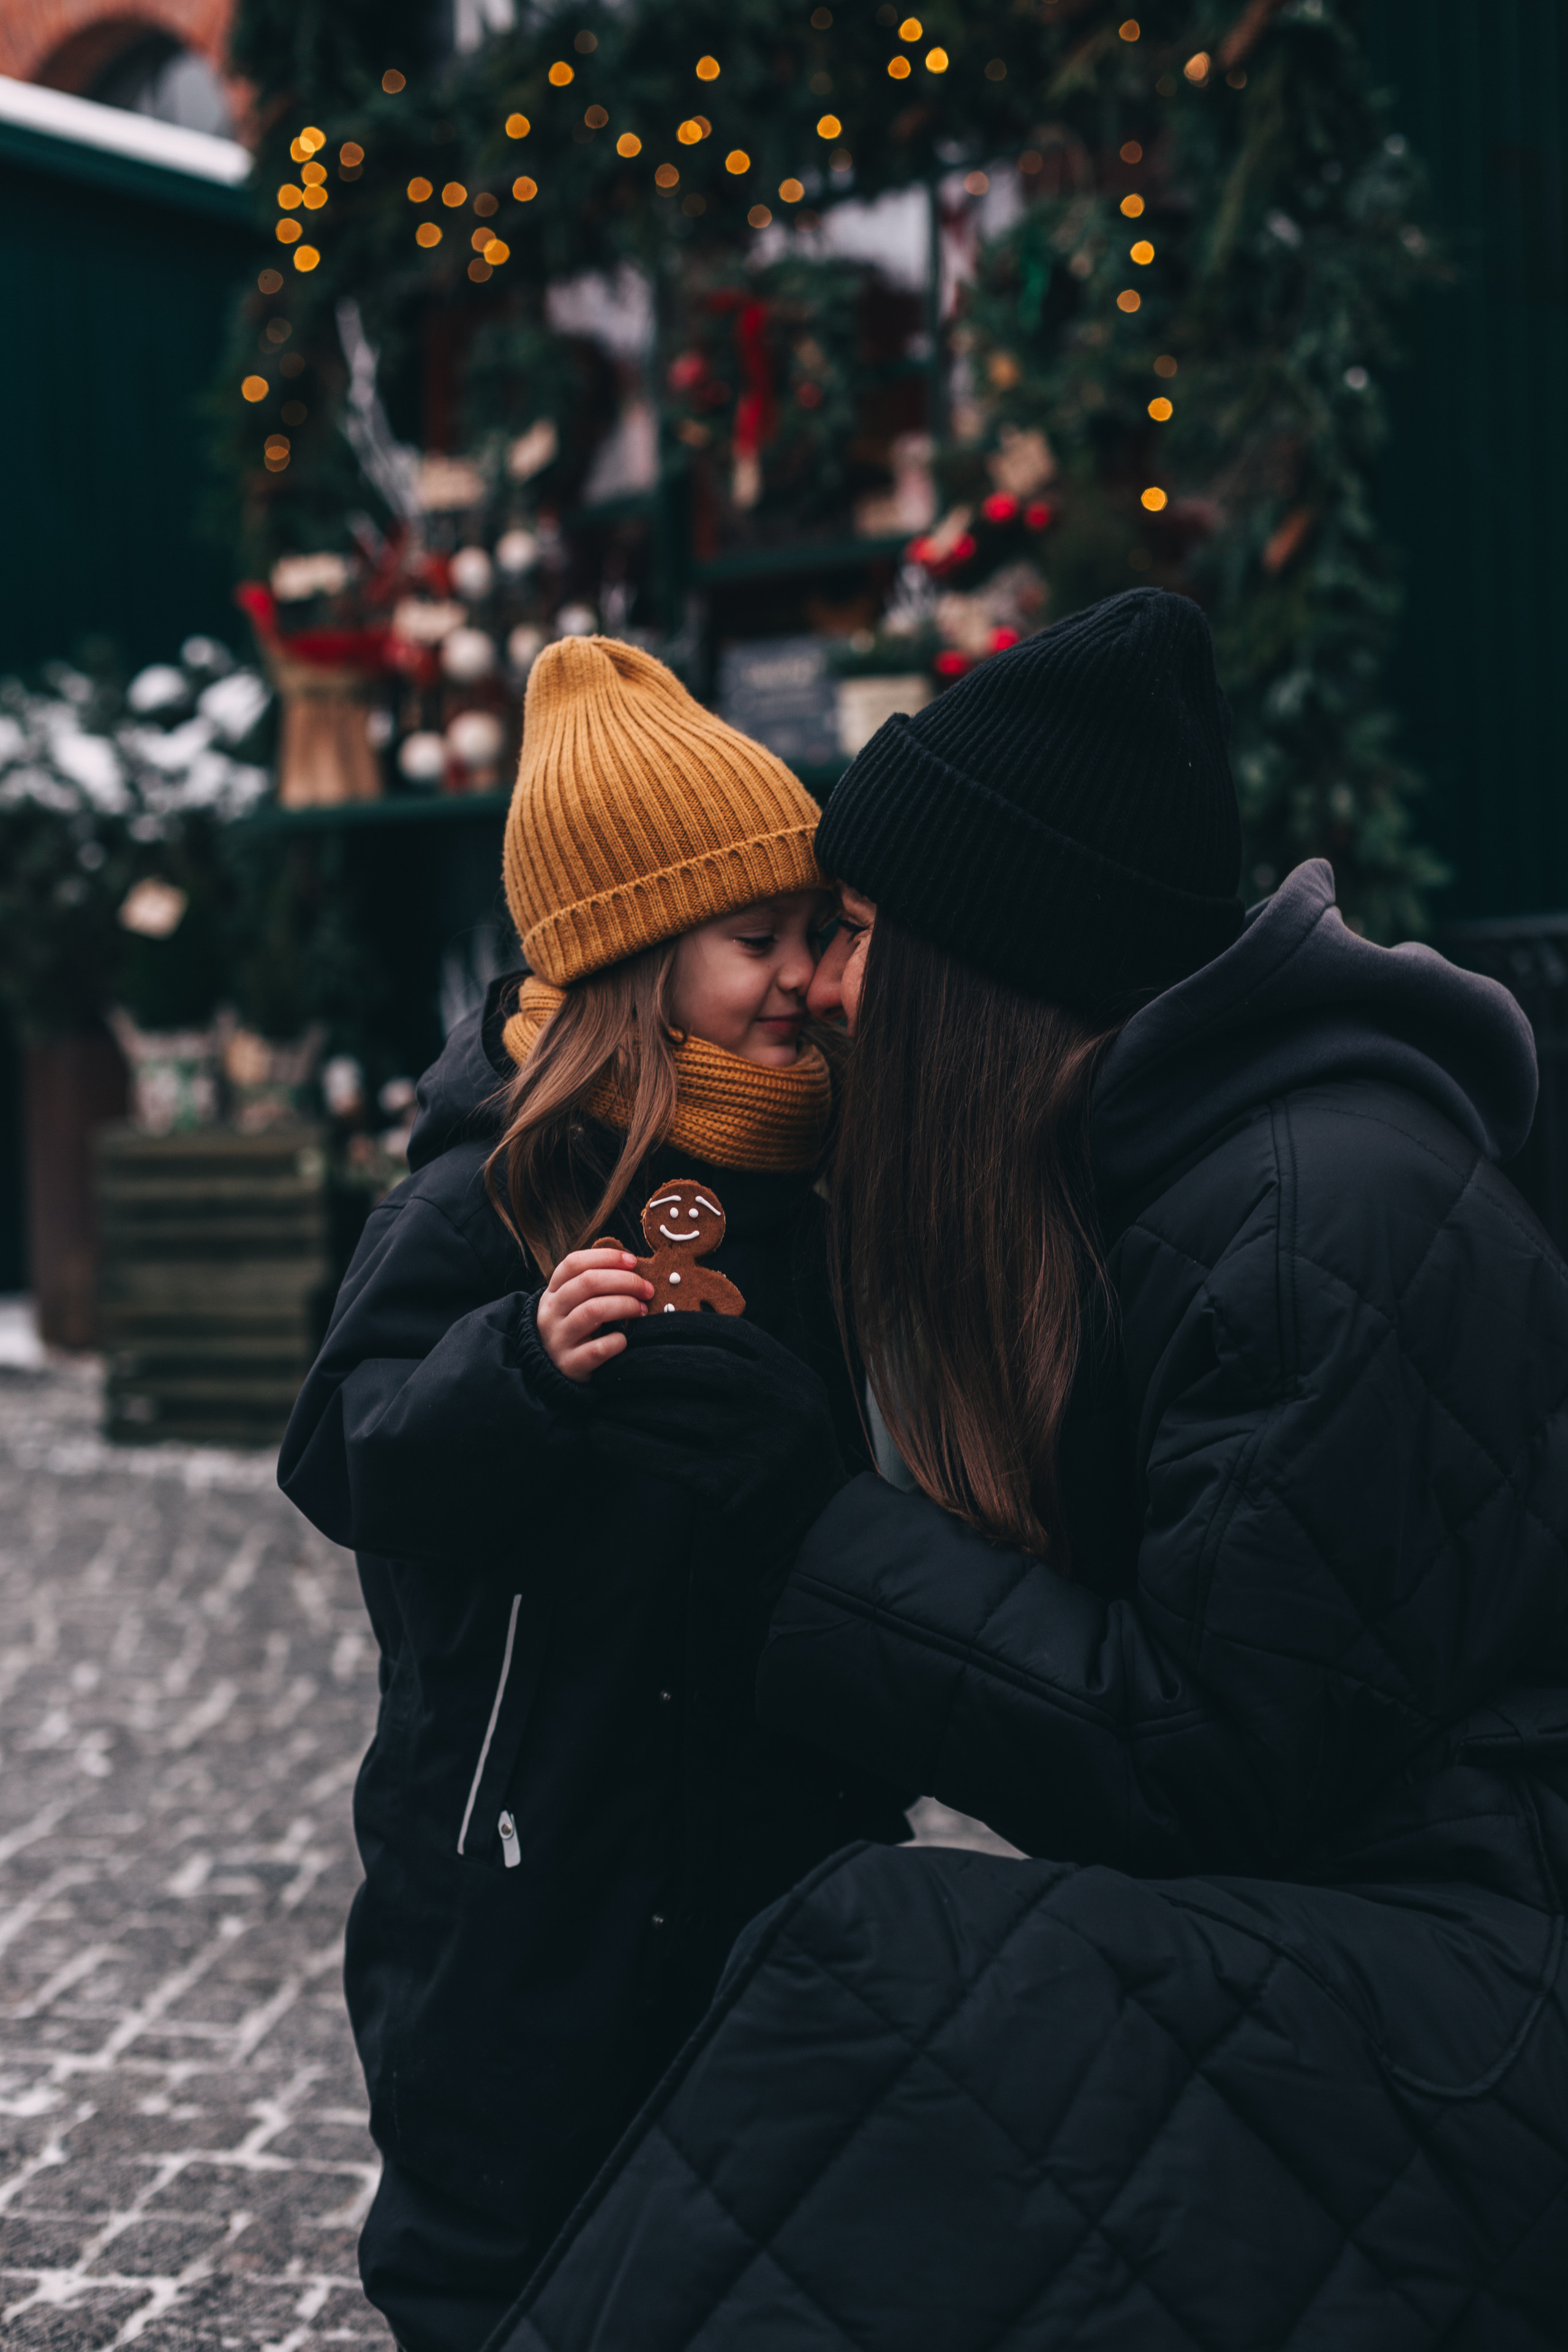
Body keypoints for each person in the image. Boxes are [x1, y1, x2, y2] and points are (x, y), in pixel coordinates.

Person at [482, 589, 1568, 2351]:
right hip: (1387, 1918)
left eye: (853, 936)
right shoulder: (1179, 1181)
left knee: (910, 1974)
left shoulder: (1315, 1223)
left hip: (1484, 1974)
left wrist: (807, 1520)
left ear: (986, 963)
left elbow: (1206, 1763)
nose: (823, 989)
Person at [277, 635, 907, 2352]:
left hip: (764, 1806)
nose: (800, 980)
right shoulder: (495, 1185)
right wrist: (521, 1371)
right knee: (505, 2197)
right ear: (638, 959)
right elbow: (344, 1447)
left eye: (815, 937)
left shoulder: (820, 1169)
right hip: (522, 1828)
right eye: (756, 940)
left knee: (755, 2205)